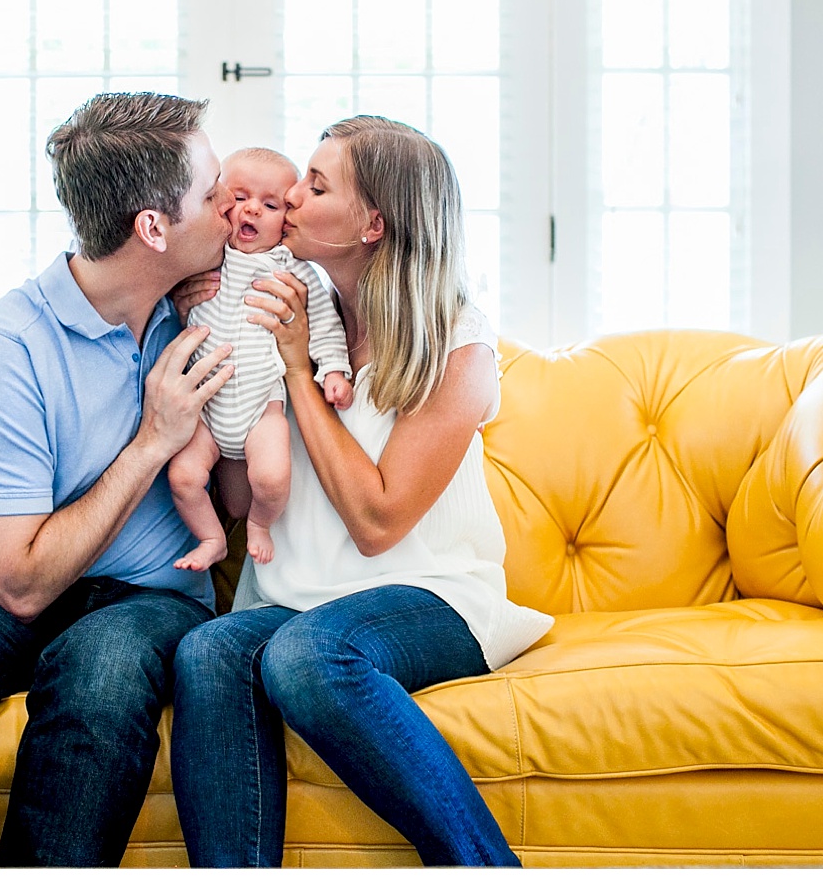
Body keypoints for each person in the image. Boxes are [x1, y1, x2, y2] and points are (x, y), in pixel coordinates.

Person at [0, 92, 237, 867]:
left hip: (151, 599)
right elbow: (17, 585)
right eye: (210, 192)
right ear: (152, 228)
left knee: (100, 672)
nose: (230, 207)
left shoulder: (214, 308)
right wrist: (152, 440)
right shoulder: (8, 345)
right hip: (29, 581)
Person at [169, 116, 555, 867]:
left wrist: (296, 373)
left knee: (309, 657)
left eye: (315, 186)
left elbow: (379, 520)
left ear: (371, 222)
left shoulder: (455, 340)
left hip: (430, 595)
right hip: (294, 597)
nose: (292, 199)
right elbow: (248, 501)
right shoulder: (290, 308)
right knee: (209, 651)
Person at [168, 147, 352, 573]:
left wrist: (334, 369)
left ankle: (259, 525)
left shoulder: (293, 270)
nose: (252, 209)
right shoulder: (204, 256)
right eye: (239, 197)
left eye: (270, 205)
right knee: (183, 477)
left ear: (285, 220)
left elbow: (324, 323)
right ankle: (212, 538)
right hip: (204, 409)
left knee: (270, 479)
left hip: (261, 408)